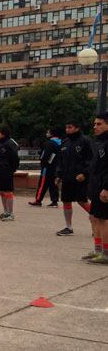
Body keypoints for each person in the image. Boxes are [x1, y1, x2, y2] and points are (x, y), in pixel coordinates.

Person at [55, 120, 95, 237]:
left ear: (77, 128)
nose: (67, 130)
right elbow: (60, 161)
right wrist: (58, 175)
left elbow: (91, 159)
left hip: (80, 178)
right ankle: (68, 227)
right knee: (66, 200)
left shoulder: (86, 141)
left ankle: (98, 222)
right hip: (67, 177)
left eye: (70, 127)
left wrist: (85, 173)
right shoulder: (65, 142)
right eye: (66, 127)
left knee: (82, 201)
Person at [87, 113, 108, 264]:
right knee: (94, 217)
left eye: (99, 124)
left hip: (104, 187)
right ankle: (98, 249)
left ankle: (106, 254)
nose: (95, 127)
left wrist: (106, 188)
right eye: (95, 124)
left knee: (104, 219)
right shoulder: (98, 142)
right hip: (96, 185)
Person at [29, 128, 62, 207]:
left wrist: (42, 162)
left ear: (52, 134)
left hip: (47, 167)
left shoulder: (49, 143)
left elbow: (45, 156)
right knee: (53, 184)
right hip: (56, 167)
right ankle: (54, 201)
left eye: (48, 132)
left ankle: (38, 200)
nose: (46, 134)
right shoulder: (61, 143)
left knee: (42, 183)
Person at [0, 126, 20, 222]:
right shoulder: (1, 144)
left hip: (7, 171)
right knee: (2, 191)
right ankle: (5, 212)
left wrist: (12, 169)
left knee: (8, 191)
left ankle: (10, 213)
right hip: (0, 171)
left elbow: (15, 158)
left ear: (3, 133)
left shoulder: (10, 143)